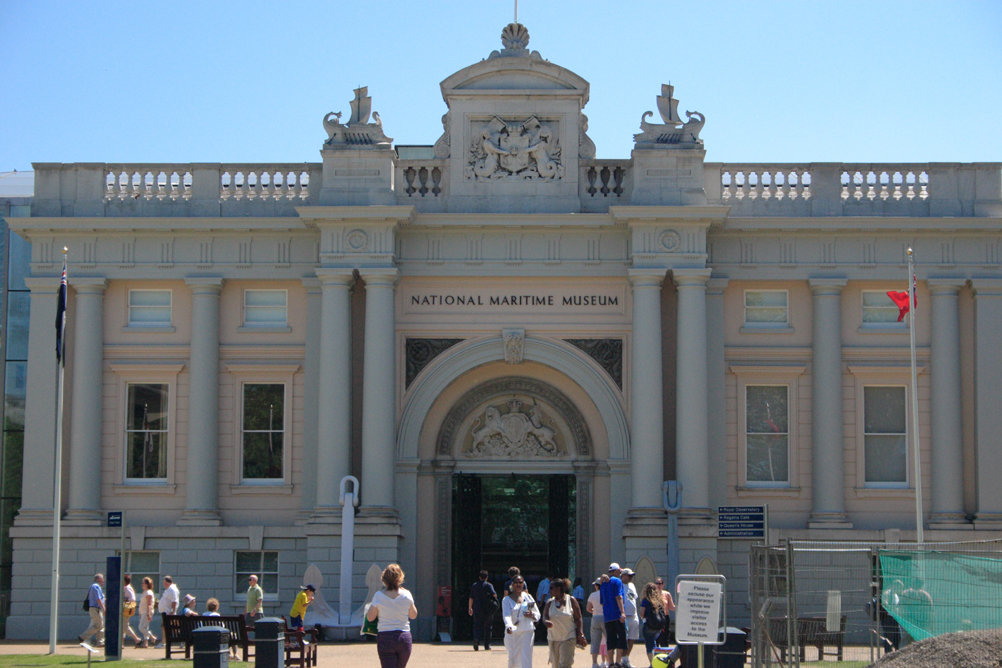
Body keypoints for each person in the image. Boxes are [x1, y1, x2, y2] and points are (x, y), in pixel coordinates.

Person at [366, 563, 418, 668]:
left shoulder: (379, 596)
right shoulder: (406, 594)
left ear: (384, 579)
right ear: (400, 578)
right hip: (403, 637)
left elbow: (370, 618)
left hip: (385, 637)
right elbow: (413, 615)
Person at [542, 578, 586, 668]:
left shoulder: (571, 600)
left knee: (565, 664)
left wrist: (580, 633)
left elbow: (578, 618)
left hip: (568, 637)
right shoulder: (549, 602)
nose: (549, 590)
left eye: (551, 588)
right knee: (555, 665)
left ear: (558, 589)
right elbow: (544, 616)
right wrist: (546, 621)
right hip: (554, 638)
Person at [502, 575, 540, 668]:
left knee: (526, 658)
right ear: (512, 584)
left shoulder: (528, 597)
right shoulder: (506, 600)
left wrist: (532, 615)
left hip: (527, 631)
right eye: (516, 582)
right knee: (513, 659)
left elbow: (538, 615)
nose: (518, 584)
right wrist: (509, 626)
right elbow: (506, 615)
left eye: (521, 582)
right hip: (513, 633)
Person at [639, 581, 676, 667]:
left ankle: (653, 664)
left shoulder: (645, 600)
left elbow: (642, 613)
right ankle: (658, 662)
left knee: (649, 645)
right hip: (658, 627)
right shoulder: (659, 601)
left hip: (648, 626)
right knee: (654, 644)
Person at [600, 564, 627, 668]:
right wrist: (623, 612)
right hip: (617, 614)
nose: (620, 573)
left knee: (610, 638)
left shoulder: (603, 585)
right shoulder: (617, 581)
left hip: (607, 616)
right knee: (621, 637)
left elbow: (602, 602)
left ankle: (610, 662)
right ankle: (618, 662)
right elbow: (619, 597)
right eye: (619, 571)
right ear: (615, 571)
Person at [468, 569, 498, 651]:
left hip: (477, 608)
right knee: (488, 627)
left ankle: (476, 639)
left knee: (477, 626)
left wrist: (470, 608)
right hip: (487, 609)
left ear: (479, 577)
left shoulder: (474, 585)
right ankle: (487, 645)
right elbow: (494, 595)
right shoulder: (489, 585)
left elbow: (471, 597)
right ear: (487, 577)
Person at [79, 573, 106, 647]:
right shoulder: (96, 586)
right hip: (96, 609)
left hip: (95, 609)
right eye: (102, 579)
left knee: (101, 625)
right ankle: (83, 637)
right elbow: (98, 598)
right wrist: (103, 607)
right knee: (97, 625)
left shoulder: (93, 586)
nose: (103, 581)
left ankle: (100, 642)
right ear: (98, 579)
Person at [586, 578, 608, 668]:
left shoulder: (592, 595)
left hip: (595, 617)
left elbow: (588, 608)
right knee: (609, 640)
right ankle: (609, 661)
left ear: (596, 586)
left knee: (595, 641)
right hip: (606, 617)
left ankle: (594, 663)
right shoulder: (607, 594)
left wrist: (594, 611)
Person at [620, 568, 639, 668]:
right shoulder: (619, 585)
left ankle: (626, 659)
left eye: (632, 576)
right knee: (624, 640)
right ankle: (622, 660)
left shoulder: (632, 585)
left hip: (633, 616)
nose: (631, 577)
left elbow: (633, 599)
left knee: (632, 639)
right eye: (629, 575)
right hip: (624, 617)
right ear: (623, 576)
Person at [154, 575, 179, 649]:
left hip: (168, 613)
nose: (163, 583)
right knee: (168, 628)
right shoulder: (168, 589)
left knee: (166, 627)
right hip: (166, 612)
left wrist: (172, 611)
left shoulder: (172, 589)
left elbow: (174, 602)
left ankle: (163, 642)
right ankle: (164, 642)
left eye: (164, 582)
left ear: (168, 582)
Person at [137, 577, 156, 648]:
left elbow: (149, 604)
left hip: (146, 612)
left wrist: (148, 614)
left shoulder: (149, 593)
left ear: (147, 584)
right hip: (142, 612)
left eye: (143, 583)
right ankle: (145, 643)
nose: (142, 584)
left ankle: (152, 637)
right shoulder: (144, 592)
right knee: (145, 627)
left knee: (141, 627)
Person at [122, 574, 141, 646]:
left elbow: (132, 599)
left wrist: (125, 600)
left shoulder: (128, 588)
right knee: (124, 626)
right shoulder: (124, 588)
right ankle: (136, 640)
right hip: (124, 609)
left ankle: (136, 639)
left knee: (124, 626)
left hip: (127, 609)